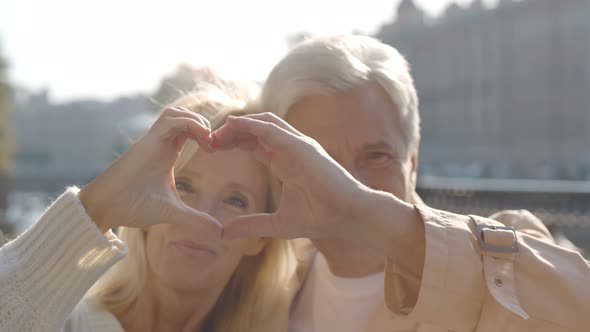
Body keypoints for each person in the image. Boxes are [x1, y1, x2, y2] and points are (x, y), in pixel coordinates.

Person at [211, 35, 590, 331]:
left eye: (376, 157)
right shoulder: (268, 289)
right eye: (321, 163)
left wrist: (381, 223)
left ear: (412, 157)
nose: (348, 186)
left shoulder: (506, 253)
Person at [0, 82, 297, 332]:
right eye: (183, 186)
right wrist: (97, 209)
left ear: (261, 238)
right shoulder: (65, 323)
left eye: (236, 200)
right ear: (144, 205)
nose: (201, 216)